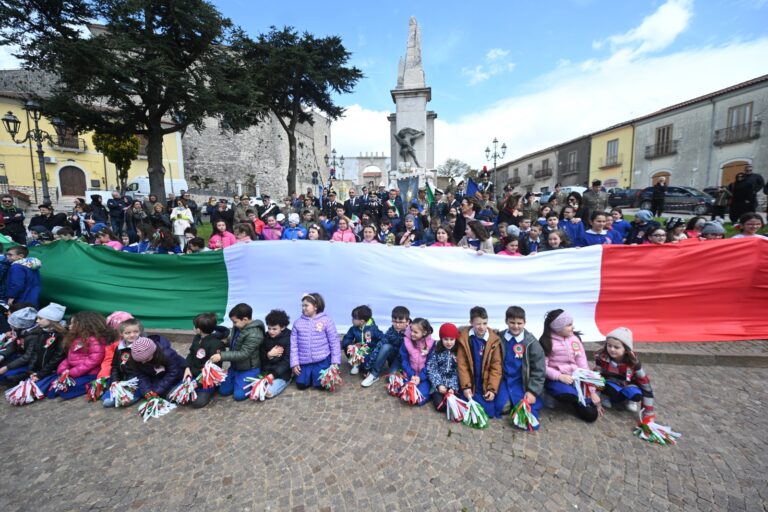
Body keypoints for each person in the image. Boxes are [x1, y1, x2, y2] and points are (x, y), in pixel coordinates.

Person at [540, 309, 600, 423]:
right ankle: (552, 395)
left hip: (576, 379)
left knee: (591, 415)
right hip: (556, 379)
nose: (573, 327)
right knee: (568, 394)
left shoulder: (575, 339)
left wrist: (592, 392)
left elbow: (583, 365)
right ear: (558, 327)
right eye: (569, 325)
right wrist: (559, 376)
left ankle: (578, 399)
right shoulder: (546, 342)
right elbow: (542, 367)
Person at [494, 306, 546, 428]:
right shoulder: (499, 337)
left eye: (519, 323)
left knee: (525, 413)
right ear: (506, 321)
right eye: (512, 322)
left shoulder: (531, 343)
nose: (515, 326)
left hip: (521, 383)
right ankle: (509, 402)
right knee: (499, 407)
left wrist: (532, 391)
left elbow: (539, 370)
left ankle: (516, 402)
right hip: (504, 381)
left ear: (525, 322)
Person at [0, 304, 67, 391]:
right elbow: (35, 353)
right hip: (38, 369)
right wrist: (31, 370)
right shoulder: (41, 332)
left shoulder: (59, 336)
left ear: (51, 320)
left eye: (40, 318)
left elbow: (56, 358)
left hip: (49, 370)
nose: (37, 321)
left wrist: (40, 374)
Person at [46, 311, 112, 400]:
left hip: (90, 374)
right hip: (76, 372)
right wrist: (63, 369)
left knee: (66, 391)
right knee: (53, 389)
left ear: (83, 325)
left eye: (73, 323)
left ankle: (93, 385)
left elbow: (93, 360)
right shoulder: (75, 338)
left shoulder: (94, 340)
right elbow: (69, 357)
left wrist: (72, 372)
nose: (69, 326)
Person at [593, 327, 654, 419]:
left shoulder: (634, 363)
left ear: (626, 349)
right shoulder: (601, 358)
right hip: (610, 383)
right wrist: (595, 396)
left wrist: (648, 413)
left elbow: (645, 385)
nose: (612, 349)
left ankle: (630, 400)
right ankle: (605, 396)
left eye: (616, 347)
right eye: (609, 346)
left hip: (627, 384)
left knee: (636, 395)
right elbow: (596, 376)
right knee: (607, 386)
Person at [209, 303, 265, 401]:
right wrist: (222, 343)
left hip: (249, 369)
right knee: (223, 391)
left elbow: (243, 354)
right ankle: (236, 380)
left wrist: (221, 356)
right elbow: (233, 340)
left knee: (239, 396)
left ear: (245, 319)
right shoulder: (238, 326)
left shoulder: (255, 334)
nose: (233, 324)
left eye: (235, 322)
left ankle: (254, 380)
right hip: (235, 367)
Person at [456, 306, 502, 417]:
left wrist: (492, 388)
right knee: (464, 409)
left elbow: (496, 367)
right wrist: (466, 387)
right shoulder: (464, 339)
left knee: (488, 412)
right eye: (478, 324)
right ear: (471, 322)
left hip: (484, 384)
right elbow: (462, 365)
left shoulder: (493, 340)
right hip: (470, 382)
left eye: (485, 323)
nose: (482, 327)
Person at [289, 293, 340, 390]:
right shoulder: (298, 323)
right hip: (304, 362)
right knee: (301, 385)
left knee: (321, 386)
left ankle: (316, 377)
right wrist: (295, 363)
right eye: (302, 305)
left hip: (321, 360)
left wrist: (335, 362)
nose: (303, 308)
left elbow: (334, 342)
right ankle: (308, 376)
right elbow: (294, 345)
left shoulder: (326, 321)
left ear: (316, 306)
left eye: (306, 305)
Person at [182, 312, 227, 409]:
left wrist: (197, 384)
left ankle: (210, 389)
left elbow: (213, 369)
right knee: (181, 398)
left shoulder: (216, 344)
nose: (193, 328)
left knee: (197, 403)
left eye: (194, 326)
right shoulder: (197, 338)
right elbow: (191, 353)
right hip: (194, 372)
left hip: (207, 379)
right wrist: (187, 367)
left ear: (198, 329)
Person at [361, 306, 410, 387]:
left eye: (401, 322)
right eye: (394, 321)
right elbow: (380, 345)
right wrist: (369, 366)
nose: (397, 325)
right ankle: (374, 374)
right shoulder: (391, 331)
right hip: (394, 356)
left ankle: (399, 372)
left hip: (404, 360)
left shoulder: (412, 333)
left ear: (407, 322)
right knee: (385, 346)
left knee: (392, 378)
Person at [101, 317, 142, 407]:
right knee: (106, 399)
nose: (132, 335)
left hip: (137, 381)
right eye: (128, 333)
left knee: (123, 401)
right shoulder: (119, 348)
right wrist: (115, 380)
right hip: (123, 379)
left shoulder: (143, 346)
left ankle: (137, 394)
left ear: (140, 332)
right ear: (121, 334)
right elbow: (115, 366)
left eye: (135, 332)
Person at [130, 335, 185, 400]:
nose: (143, 362)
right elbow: (141, 376)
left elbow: (173, 373)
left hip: (176, 375)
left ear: (153, 352)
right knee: (146, 390)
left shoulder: (167, 354)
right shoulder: (135, 360)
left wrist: (157, 391)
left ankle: (176, 388)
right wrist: (147, 391)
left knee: (166, 394)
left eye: (146, 359)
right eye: (140, 361)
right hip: (156, 376)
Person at [0, 307, 43, 385]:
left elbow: (27, 357)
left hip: (31, 364)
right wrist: (2, 355)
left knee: (7, 375)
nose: (11, 327)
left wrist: (7, 367)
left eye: (13, 324)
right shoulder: (20, 330)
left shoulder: (35, 336)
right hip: (20, 356)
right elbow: (14, 345)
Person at [398, 318, 435, 406]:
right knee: (404, 393)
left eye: (415, 332)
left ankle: (430, 391)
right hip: (410, 375)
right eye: (411, 331)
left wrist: (420, 377)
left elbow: (430, 363)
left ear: (424, 333)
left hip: (424, 377)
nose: (412, 334)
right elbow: (404, 360)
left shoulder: (431, 344)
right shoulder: (406, 342)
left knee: (418, 399)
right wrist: (412, 375)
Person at [340, 305, 384, 377]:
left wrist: (377, 349)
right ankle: (356, 364)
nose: (352, 320)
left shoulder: (373, 329)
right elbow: (347, 338)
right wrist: (348, 344)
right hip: (359, 351)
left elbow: (382, 338)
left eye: (354, 318)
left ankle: (367, 368)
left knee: (365, 366)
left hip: (369, 352)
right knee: (348, 348)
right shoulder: (353, 329)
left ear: (361, 321)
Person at [426, 323, 460, 412]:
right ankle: (435, 395)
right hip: (439, 385)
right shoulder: (437, 350)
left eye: (452, 339)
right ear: (441, 339)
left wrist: (453, 387)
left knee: (453, 404)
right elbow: (432, 368)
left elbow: (457, 371)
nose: (449, 342)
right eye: (446, 339)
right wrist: (438, 385)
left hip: (452, 385)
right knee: (440, 406)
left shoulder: (458, 352)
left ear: (455, 339)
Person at [260, 309, 292, 399]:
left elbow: (288, 361)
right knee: (255, 388)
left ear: (282, 327)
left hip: (282, 374)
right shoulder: (266, 337)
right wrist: (269, 355)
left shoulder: (289, 338)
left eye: (274, 329)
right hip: (266, 372)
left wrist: (273, 375)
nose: (271, 331)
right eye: (269, 328)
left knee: (268, 392)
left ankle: (287, 381)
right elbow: (261, 355)